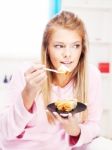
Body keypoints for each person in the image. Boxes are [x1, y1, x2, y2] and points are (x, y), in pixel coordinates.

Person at [0, 10, 111, 150]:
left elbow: (94, 125)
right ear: (47, 48)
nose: (68, 54)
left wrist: (75, 131)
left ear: (82, 49)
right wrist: (28, 93)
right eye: (59, 46)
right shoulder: (26, 73)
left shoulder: (91, 75)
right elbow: (5, 132)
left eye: (75, 46)